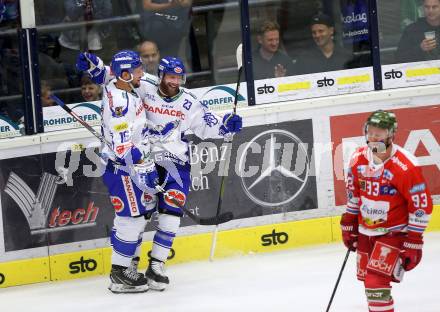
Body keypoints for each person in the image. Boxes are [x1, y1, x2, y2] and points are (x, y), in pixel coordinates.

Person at [77, 52, 243, 291]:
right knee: (136, 216)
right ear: (160, 76)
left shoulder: (187, 101)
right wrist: (96, 68)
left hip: (173, 161)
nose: (174, 82)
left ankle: (156, 266)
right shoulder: (142, 85)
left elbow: (207, 123)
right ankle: (127, 266)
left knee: (170, 214)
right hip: (141, 162)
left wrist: (226, 125)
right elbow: (112, 77)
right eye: (170, 76)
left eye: (179, 77)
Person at [340, 110, 433, 312]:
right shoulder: (357, 159)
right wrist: (349, 223)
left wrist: (414, 241)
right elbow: (354, 194)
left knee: (375, 283)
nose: (373, 137)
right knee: (369, 282)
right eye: (370, 132)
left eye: (379, 134)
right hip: (367, 232)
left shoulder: (406, 166)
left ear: (391, 135)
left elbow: (420, 206)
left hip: (394, 233)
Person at [100, 50, 159, 293]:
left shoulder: (117, 85)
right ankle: (120, 273)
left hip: (128, 169)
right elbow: (121, 145)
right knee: (130, 219)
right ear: (124, 74)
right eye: (136, 71)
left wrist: (95, 66)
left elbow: (104, 75)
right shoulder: (120, 104)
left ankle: (125, 267)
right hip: (124, 170)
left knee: (134, 217)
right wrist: (141, 164)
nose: (141, 74)